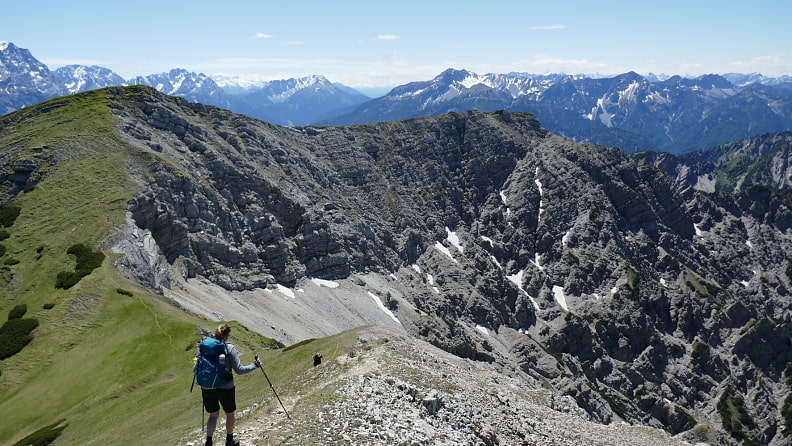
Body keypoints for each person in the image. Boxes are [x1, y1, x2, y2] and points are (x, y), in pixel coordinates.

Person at [201, 323, 261, 446]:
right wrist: (255, 365)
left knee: (213, 415)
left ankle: (208, 442)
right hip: (226, 387)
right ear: (227, 335)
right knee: (230, 414)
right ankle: (229, 440)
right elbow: (239, 370)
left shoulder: (206, 346)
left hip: (207, 387)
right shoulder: (229, 348)